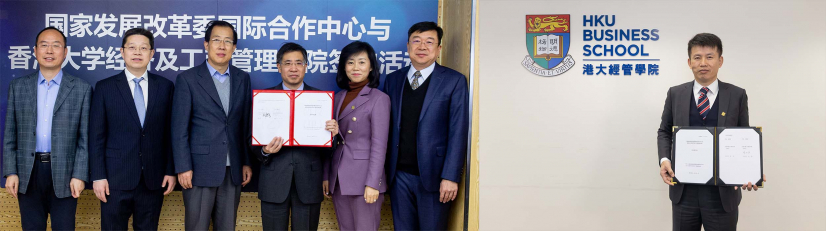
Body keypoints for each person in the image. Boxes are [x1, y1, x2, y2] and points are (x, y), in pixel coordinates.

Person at [657, 33, 766, 231]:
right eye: (697, 57)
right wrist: (665, 159)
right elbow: (664, 131)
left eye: (709, 56)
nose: (703, 63)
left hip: (722, 195)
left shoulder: (737, 95)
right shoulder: (675, 94)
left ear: (720, 61)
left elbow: (743, 137)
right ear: (689, 62)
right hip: (684, 192)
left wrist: (750, 170)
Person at [382, 21, 469, 230]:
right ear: (408, 46)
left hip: (434, 176)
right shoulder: (393, 80)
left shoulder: (454, 81)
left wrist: (450, 176)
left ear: (439, 49)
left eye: (429, 42)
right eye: (417, 41)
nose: (422, 47)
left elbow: (458, 132)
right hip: (398, 175)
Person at [3, 26, 91, 230]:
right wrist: (11, 171)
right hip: (28, 172)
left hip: (66, 175)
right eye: (44, 45)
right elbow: (10, 134)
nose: (49, 51)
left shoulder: (81, 88)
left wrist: (79, 175)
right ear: (35, 51)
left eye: (56, 45)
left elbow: (84, 138)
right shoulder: (18, 87)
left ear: (65, 52)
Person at [88, 27, 177, 230]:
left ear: (152, 53)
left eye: (144, 48)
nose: (137, 52)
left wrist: (170, 170)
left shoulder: (165, 87)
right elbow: (96, 137)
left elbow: (170, 134)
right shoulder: (105, 87)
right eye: (132, 47)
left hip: (152, 180)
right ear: (122, 51)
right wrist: (98, 176)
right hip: (114, 180)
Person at [171, 20, 253, 230]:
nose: (222, 46)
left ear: (234, 48)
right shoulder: (188, 79)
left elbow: (243, 125)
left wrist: (245, 161)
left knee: (227, 227)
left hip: (232, 169)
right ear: (206, 44)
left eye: (228, 41)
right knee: (197, 226)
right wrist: (183, 166)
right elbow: (179, 128)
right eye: (216, 40)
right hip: (198, 169)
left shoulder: (242, 79)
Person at [254, 42, 332, 231]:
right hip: (274, 181)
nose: (293, 68)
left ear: (306, 66)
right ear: (279, 67)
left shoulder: (321, 99)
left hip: (309, 182)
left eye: (299, 63)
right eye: (288, 63)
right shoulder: (264, 98)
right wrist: (264, 151)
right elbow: (251, 139)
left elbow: (331, 146)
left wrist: (333, 133)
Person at [322, 41, 390, 230]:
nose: (356, 68)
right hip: (339, 180)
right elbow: (331, 141)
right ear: (344, 67)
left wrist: (373, 183)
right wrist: (327, 175)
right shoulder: (337, 98)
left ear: (371, 66)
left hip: (364, 182)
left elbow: (379, 145)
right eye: (350, 62)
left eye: (362, 62)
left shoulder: (379, 99)